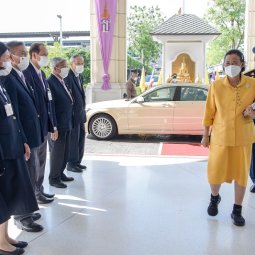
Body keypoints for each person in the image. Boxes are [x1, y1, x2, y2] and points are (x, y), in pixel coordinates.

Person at [202, 49, 255, 227]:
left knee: (241, 174)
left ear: (242, 65)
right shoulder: (215, 86)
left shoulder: (252, 84)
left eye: (235, 62)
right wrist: (205, 136)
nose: (231, 66)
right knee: (215, 171)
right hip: (220, 136)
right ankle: (214, 198)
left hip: (243, 136)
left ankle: (237, 209)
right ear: (223, 65)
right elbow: (209, 112)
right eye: (227, 63)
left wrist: (253, 113)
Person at [0, 41, 44, 233]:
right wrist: (23, 138)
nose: (25, 56)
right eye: (22, 53)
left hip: (30, 134)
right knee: (23, 177)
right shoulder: (8, 79)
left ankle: (28, 209)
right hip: (20, 136)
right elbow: (14, 113)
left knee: (30, 173)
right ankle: (22, 217)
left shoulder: (21, 76)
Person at [23, 43, 56, 204]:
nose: (46, 57)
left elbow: (47, 102)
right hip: (33, 129)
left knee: (41, 161)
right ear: (34, 55)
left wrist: (51, 125)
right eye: (44, 54)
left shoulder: (41, 74)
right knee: (33, 164)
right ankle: (34, 195)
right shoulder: (26, 74)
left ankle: (39, 191)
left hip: (43, 127)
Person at [47, 57, 74, 189]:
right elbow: (50, 106)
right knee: (57, 152)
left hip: (67, 121)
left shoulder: (62, 81)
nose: (66, 68)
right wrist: (54, 125)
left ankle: (60, 173)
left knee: (65, 150)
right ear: (55, 68)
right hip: (58, 123)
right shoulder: (50, 82)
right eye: (63, 66)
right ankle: (54, 178)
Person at [64, 54, 87, 173]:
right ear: (72, 64)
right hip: (73, 115)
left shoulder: (80, 77)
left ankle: (78, 161)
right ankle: (71, 163)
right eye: (78, 63)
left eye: (82, 63)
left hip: (80, 114)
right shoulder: (68, 76)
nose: (81, 66)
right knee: (73, 140)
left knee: (81, 138)